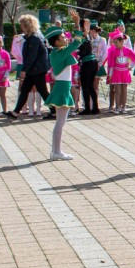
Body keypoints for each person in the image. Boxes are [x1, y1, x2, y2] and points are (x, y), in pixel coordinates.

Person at [42, 11, 85, 159]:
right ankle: (56, 152)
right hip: (62, 89)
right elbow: (77, 42)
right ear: (56, 42)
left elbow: (77, 42)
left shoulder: (58, 52)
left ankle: (55, 151)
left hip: (63, 87)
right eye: (62, 37)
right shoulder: (58, 54)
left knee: (60, 122)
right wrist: (76, 24)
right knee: (60, 122)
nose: (66, 38)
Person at [6, 15, 52, 121]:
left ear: (27, 26)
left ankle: (54, 110)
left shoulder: (33, 39)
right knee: (26, 90)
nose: (21, 27)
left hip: (36, 70)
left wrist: (24, 70)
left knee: (41, 91)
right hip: (35, 69)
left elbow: (31, 56)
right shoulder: (34, 37)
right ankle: (15, 112)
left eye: (22, 25)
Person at [104, 32, 135, 114]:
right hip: (116, 73)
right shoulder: (113, 51)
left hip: (125, 73)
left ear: (122, 41)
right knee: (117, 91)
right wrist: (110, 75)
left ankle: (123, 107)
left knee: (124, 91)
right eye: (114, 42)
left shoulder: (128, 50)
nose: (115, 44)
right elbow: (111, 64)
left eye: (116, 42)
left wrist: (130, 67)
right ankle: (117, 107)